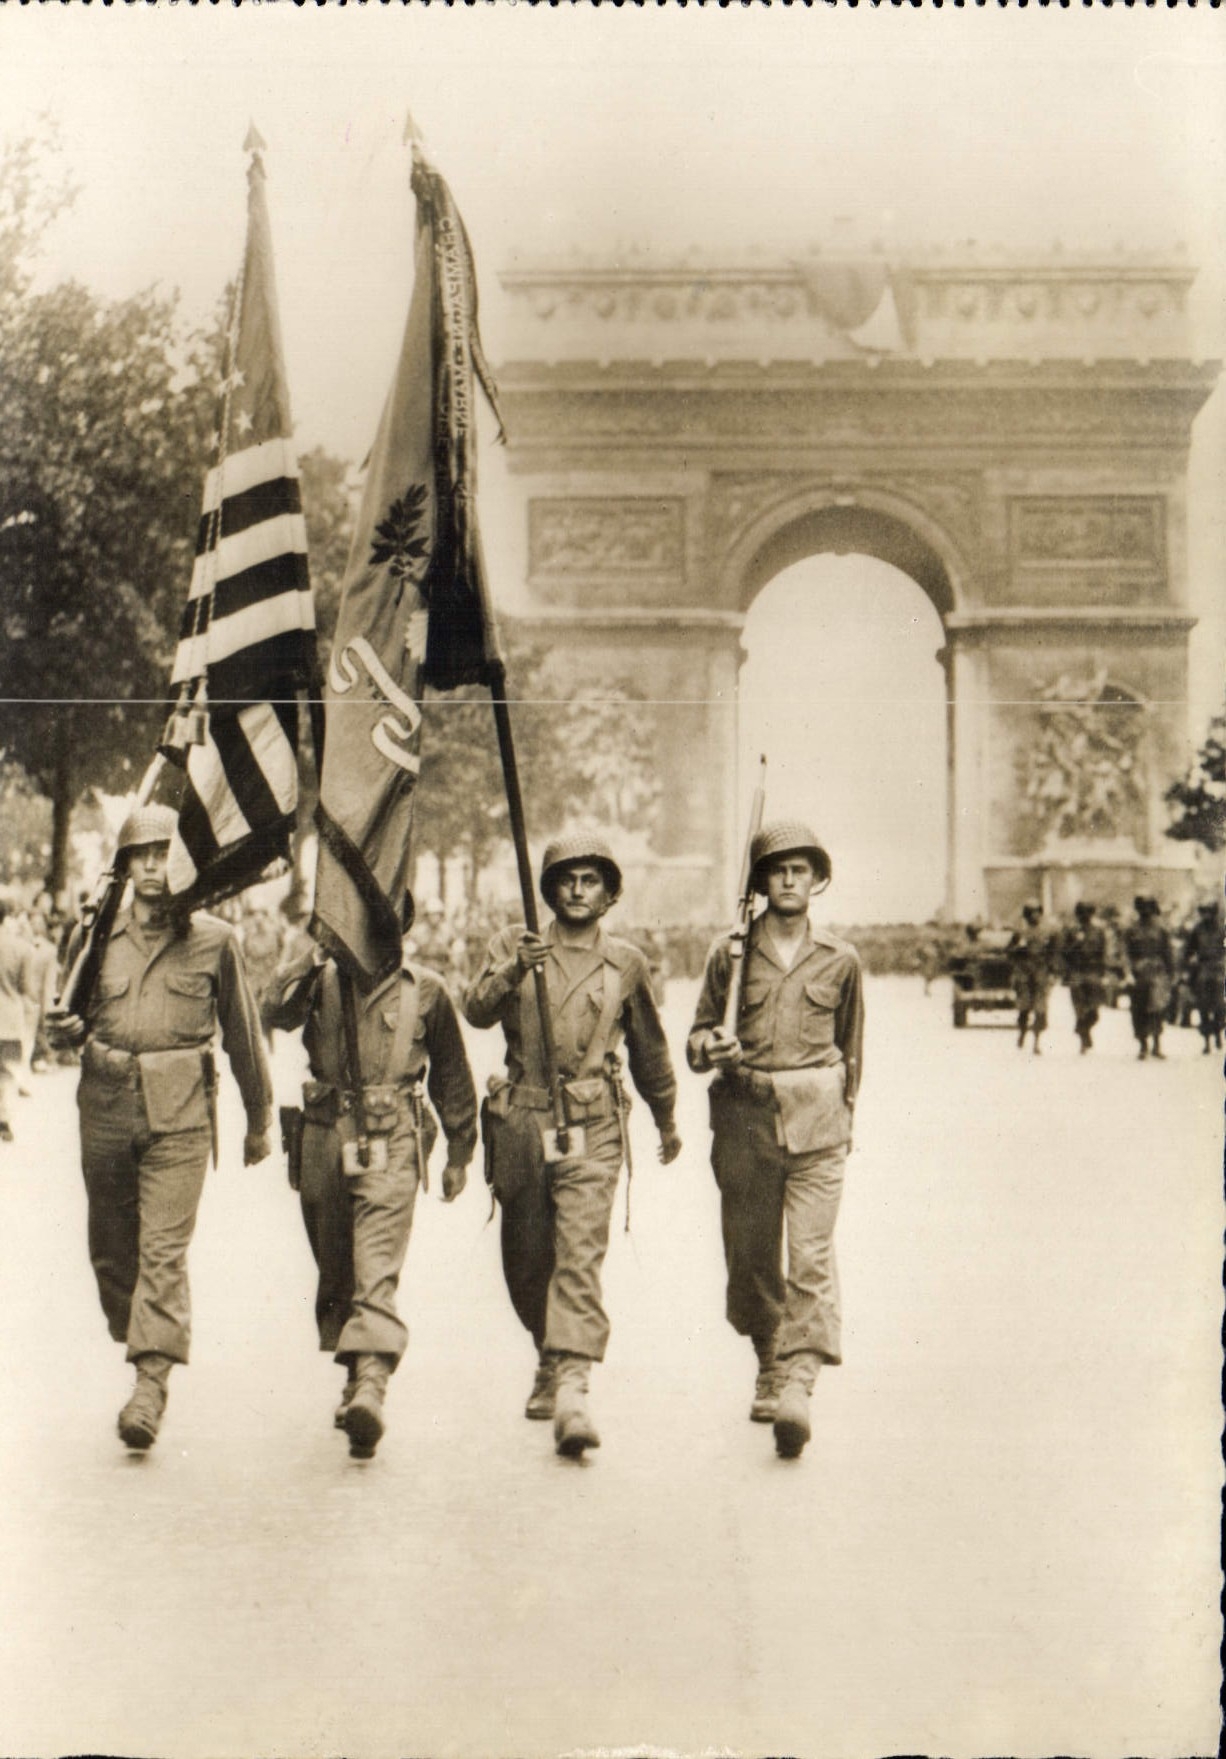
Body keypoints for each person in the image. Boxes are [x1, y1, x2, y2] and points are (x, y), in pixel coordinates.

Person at [51, 805, 272, 1450]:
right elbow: (62, 1023)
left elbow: (244, 1036)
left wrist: (258, 1119)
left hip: (180, 1117)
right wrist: (63, 1032)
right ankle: (143, 1333)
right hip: (105, 1108)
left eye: (164, 853)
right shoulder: (93, 936)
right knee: (111, 1249)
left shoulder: (216, 941)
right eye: (141, 855)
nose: (153, 866)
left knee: (163, 1254)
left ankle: (150, 1384)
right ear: (124, 866)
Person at [462, 834, 681, 1458]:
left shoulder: (626, 963)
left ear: (610, 894)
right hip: (523, 1122)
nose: (578, 890)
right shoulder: (514, 944)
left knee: (579, 1253)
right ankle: (548, 1354)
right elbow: (474, 1010)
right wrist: (514, 969)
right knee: (527, 1260)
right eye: (567, 879)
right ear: (549, 889)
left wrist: (666, 1118)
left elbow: (649, 1050)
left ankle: (574, 1388)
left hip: (593, 1124)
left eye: (591, 880)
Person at [265, 895, 478, 1459]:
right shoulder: (320, 979)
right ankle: (356, 1372)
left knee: (376, 1265)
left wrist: (460, 1150)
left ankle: (372, 1386)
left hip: (393, 1137)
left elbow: (452, 1075)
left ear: (402, 925)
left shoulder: (426, 990)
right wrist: (313, 956)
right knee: (337, 1262)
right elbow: (273, 1010)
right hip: (324, 1136)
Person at [687, 820, 864, 1462]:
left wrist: (845, 1121)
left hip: (818, 1123)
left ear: (817, 880)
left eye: (800, 870)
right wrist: (711, 1046)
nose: (789, 880)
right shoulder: (729, 954)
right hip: (746, 1118)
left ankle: (797, 1384)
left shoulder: (840, 959)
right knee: (752, 1253)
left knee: (811, 1256)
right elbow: (696, 1039)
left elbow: (851, 1049)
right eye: (777, 870)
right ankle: (769, 1356)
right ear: (760, 881)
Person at [0, 899, 38, 1145]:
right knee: (6, 1071)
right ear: (7, 917)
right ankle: (3, 1119)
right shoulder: (22, 948)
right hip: (10, 1019)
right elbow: (26, 988)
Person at [1123, 894, 1174, 1060]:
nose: (1145, 911)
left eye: (1148, 908)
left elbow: (1168, 952)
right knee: (1138, 1010)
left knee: (1157, 1009)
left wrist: (1172, 975)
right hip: (1138, 975)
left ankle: (1157, 1044)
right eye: (1141, 908)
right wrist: (1127, 973)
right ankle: (1143, 1045)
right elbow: (1125, 953)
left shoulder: (1161, 929)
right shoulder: (1131, 930)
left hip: (1157, 973)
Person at [1007, 903, 1055, 1055]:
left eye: (1038, 913)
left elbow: (1054, 953)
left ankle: (1036, 1042)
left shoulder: (1047, 933)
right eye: (1032, 913)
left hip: (1041, 974)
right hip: (1024, 974)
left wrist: (1052, 972)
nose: (1035, 916)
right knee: (1024, 1009)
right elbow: (1009, 952)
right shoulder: (1019, 933)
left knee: (1040, 1010)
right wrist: (1019, 949)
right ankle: (1022, 1032)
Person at [1061, 901, 1109, 1053]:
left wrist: (1104, 972)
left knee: (1094, 1012)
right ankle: (1083, 1039)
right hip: (1076, 971)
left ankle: (1081, 1028)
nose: (1085, 916)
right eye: (1082, 913)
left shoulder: (1098, 931)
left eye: (1088, 913)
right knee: (1080, 1008)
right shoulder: (1071, 931)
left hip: (1093, 971)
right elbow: (1063, 952)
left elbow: (1103, 952)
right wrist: (1076, 943)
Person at [1182, 900, 1224, 1055]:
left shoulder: (1222, 929)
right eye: (1203, 912)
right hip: (1203, 968)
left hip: (1219, 969)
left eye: (1209, 912)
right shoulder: (1197, 930)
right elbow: (1188, 950)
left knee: (1220, 1006)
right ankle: (1206, 1040)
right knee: (1203, 1007)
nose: (1206, 915)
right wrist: (1188, 965)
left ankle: (1218, 1031)